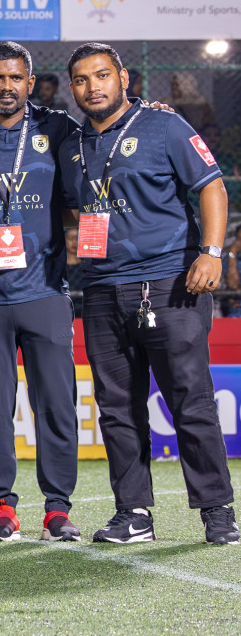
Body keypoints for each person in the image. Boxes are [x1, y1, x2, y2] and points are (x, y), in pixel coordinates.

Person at [60, 43, 238, 544]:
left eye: (101, 75)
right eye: (80, 79)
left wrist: (211, 251)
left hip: (168, 284)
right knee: (117, 407)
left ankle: (217, 511)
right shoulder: (71, 145)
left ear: (123, 77)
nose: (92, 87)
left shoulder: (165, 126)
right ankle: (133, 513)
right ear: (71, 87)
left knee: (191, 400)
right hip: (100, 290)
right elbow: (78, 208)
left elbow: (212, 187)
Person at [0, 42, 83, 543]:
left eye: (16, 78)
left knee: (57, 404)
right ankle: (3, 506)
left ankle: (57, 508)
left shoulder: (58, 128)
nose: (7, 87)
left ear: (31, 83)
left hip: (46, 289)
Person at [164, 72, 220, 147]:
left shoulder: (201, 102)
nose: (174, 88)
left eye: (177, 84)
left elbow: (209, 122)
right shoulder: (165, 102)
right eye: (173, 85)